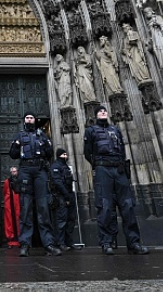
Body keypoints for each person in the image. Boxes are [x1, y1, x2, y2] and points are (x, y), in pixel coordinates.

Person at [84, 106, 149, 255]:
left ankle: (134, 243)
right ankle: (107, 242)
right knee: (105, 206)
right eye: (100, 111)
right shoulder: (91, 131)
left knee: (128, 205)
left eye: (105, 111)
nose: (103, 112)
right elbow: (87, 152)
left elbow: (122, 149)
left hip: (118, 169)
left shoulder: (116, 130)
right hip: (102, 169)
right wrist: (99, 165)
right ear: (95, 115)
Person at [9, 112, 62, 257]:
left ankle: (49, 244)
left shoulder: (42, 135)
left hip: (40, 171)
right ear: (24, 120)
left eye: (31, 117)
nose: (29, 119)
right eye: (27, 117)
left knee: (43, 208)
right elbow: (13, 154)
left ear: (35, 120)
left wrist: (45, 144)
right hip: (25, 170)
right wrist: (16, 145)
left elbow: (50, 153)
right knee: (25, 208)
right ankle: (25, 244)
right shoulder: (19, 135)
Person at [50, 149, 80, 251]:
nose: (66, 156)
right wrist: (66, 195)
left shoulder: (65, 167)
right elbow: (57, 182)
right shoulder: (55, 167)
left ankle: (69, 242)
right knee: (61, 220)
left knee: (71, 219)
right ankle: (60, 243)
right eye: (64, 154)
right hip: (61, 196)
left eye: (66, 154)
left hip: (69, 195)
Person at [3, 166, 21, 248]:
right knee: (10, 222)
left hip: (18, 204)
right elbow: (5, 192)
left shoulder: (20, 181)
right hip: (10, 205)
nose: (13, 173)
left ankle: (20, 240)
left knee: (19, 220)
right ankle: (10, 241)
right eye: (12, 172)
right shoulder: (7, 181)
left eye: (15, 171)